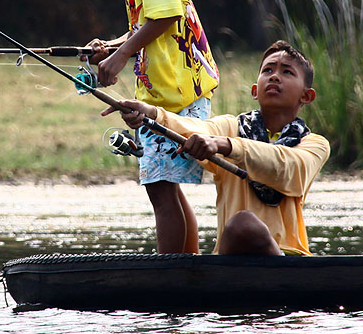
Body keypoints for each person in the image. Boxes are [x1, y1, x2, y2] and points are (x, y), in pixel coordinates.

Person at [80, 0, 220, 254]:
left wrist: (121, 57)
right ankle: (186, 267)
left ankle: (173, 272)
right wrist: (111, 46)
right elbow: (152, 20)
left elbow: (167, 15)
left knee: (159, 187)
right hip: (173, 91)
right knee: (166, 187)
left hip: (177, 93)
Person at [104, 40, 330, 256]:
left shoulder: (314, 144)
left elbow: (288, 168)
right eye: (268, 70)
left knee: (244, 223)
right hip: (229, 257)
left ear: (307, 96)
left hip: (289, 258)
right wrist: (152, 113)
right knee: (241, 225)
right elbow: (193, 128)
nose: (274, 77)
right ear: (254, 90)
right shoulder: (231, 127)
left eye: (287, 72)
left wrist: (225, 145)